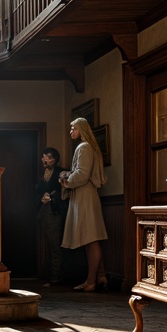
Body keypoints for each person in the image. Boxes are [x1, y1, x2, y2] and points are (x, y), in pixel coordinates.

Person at [60, 117, 109, 291]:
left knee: (91, 238)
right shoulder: (87, 147)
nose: (71, 131)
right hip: (84, 195)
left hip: (85, 196)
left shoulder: (84, 147)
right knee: (91, 238)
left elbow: (82, 173)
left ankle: (91, 281)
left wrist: (66, 180)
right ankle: (100, 276)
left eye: (73, 128)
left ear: (81, 129)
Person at [35, 147, 67, 286]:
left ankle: (56, 277)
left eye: (47, 157)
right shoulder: (43, 174)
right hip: (44, 210)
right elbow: (39, 191)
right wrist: (42, 197)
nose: (44, 159)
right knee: (48, 243)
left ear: (54, 159)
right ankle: (51, 274)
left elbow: (64, 193)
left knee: (55, 244)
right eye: (43, 157)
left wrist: (52, 198)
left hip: (55, 211)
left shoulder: (60, 172)